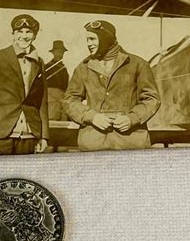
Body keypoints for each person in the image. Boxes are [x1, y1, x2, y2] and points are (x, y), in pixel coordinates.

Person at [63, 20, 160, 150]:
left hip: (130, 142)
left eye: (92, 39)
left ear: (106, 38)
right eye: (87, 40)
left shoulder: (138, 64)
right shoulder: (83, 68)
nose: (89, 44)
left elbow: (152, 99)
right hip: (94, 142)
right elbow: (70, 100)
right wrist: (92, 117)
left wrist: (132, 118)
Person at [0, 14, 49, 155]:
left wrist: (43, 136)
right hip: (0, 136)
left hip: (29, 135)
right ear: (13, 34)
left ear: (35, 35)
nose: (24, 36)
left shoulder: (39, 62)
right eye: (19, 32)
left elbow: (42, 101)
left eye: (28, 32)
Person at [45, 40, 69, 120]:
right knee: (51, 119)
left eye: (62, 52)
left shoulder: (64, 69)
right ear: (53, 53)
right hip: (50, 99)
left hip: (61, 99)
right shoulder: (47, 67)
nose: (60, 54)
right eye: (58, 52)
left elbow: (66, 87)